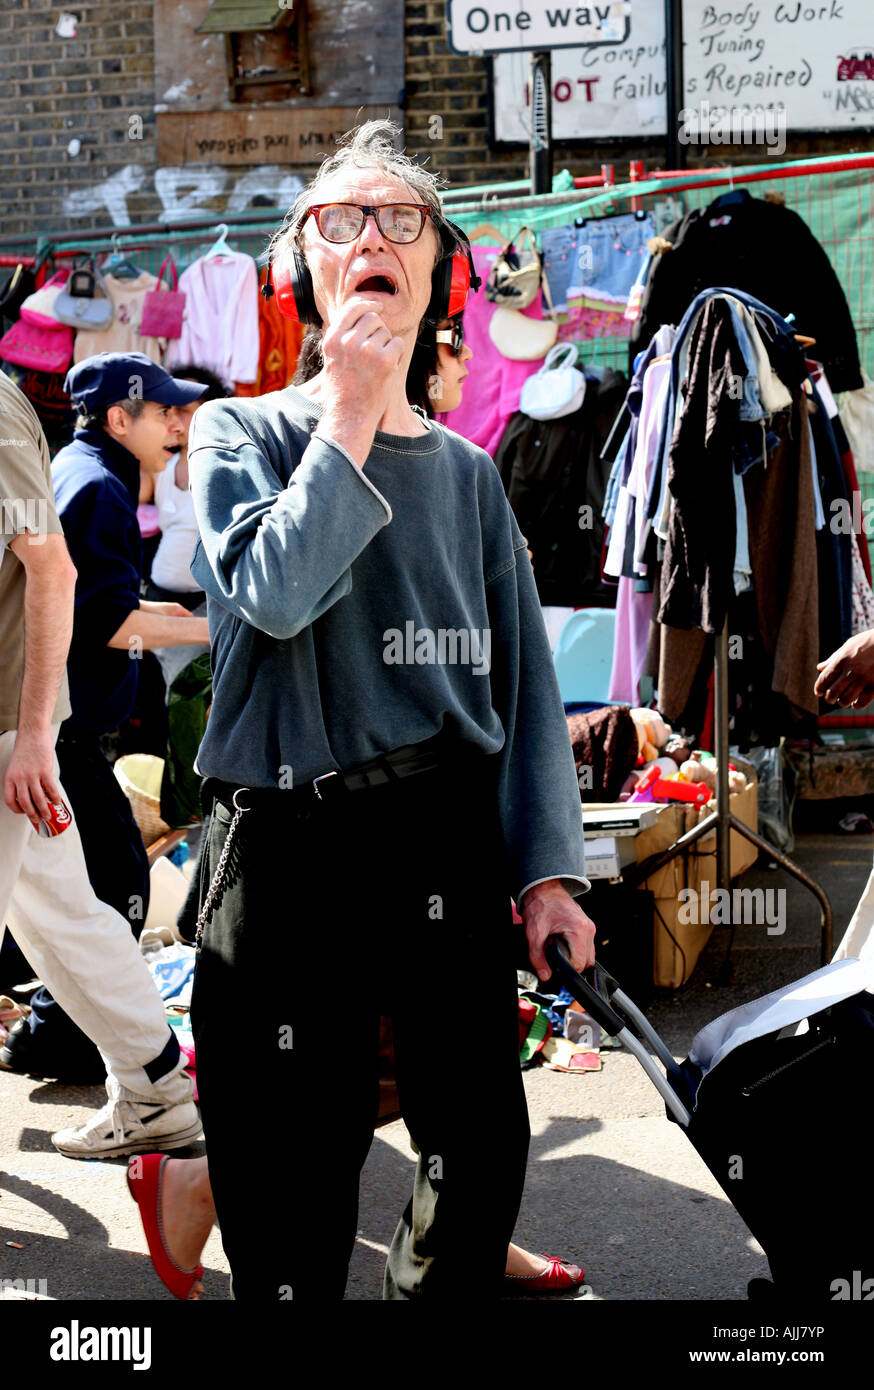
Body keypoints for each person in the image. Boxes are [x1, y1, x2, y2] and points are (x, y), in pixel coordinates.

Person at [184, 119, 595, 1303]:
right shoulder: (239, 433)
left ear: (440, 268)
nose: (372, 236)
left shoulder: (469, 478)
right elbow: (270, 591)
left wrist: (548, 875)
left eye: (400, 218)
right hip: (287, 846)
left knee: (476, 1151)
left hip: (442, 843)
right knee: (287, 1171)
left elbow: (519, 694)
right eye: (339, 220)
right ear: (298, 269)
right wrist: (349, 411)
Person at [0, 365, 200, 1158]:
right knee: (72, 917)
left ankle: (155, 1090)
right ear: (121, 419)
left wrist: (36, 733)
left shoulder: (81, 474)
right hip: (37, 739)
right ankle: (155, 1088)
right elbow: (102, 613)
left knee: (81, 912)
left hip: (25, 736)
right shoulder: (97, 482)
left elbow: (61, 579)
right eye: (166, 410)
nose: (180, 423)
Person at [138, 364, 230, 612]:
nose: (174, 420)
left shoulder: (227, 464)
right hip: (158, 597)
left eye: (184, 410)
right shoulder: (159, 467)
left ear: (210, 412)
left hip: (209, 601)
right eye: (167, 411)